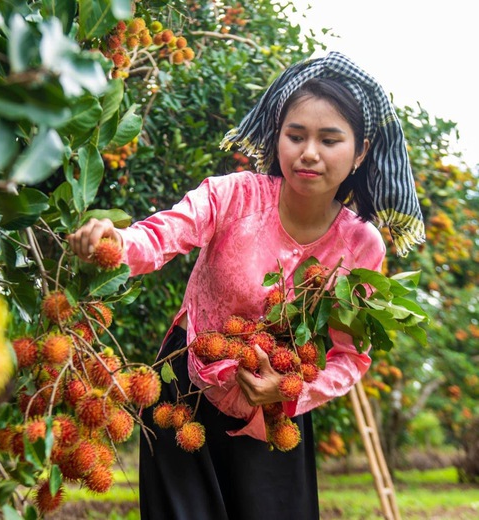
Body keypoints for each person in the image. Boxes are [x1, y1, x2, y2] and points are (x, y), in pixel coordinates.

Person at [67, 51, 425, 519]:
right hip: (186, 392)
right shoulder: (232, 195)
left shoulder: (361, 246)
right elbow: (161, 235)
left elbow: (349, 355)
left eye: (329, 139)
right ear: (277, 139)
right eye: (295, 136)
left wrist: (290, 391)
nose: (309, 152)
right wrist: (115, 240)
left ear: (359, 152)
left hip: (275, 415)